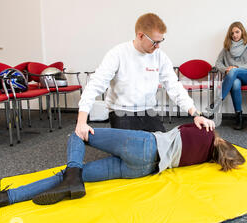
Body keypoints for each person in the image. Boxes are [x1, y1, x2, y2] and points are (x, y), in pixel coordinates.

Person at [0, 124, 245, 217]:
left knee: (78, 133)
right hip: (143, 170)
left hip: (143, 145)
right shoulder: (204, 158)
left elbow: (183, 125)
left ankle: (72, 178)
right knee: (63, 177)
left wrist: (205, 122)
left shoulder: (206, 133)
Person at [76, 13, 215, 138]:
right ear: (140, 35)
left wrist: (196, 114)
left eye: (160, 41)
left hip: (147, 111)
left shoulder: (160, 56)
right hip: (121, 111)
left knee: (162, 149)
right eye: (155, 42)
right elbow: (95, 85)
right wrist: (81, 122)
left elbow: (174, 86)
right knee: (133, 154)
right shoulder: (118, 54)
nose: (158, 46)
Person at [214, 21, 247, 130]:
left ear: (242, 32)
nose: (234, 35)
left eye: (237, 32)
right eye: (232, 33)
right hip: (233, 78)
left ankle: (218, 101)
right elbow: (218, 63)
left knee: (234, 71)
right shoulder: (226, 48)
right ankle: (239, 117)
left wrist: (236, 68)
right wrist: (225, 69)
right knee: (235, 83)